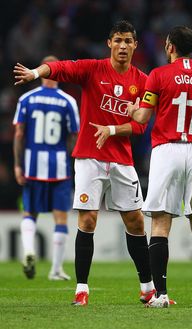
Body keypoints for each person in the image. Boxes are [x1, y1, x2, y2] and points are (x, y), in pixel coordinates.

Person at [13, 21, 157, 306]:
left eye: (129, 41)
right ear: (109, 43)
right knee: (87, 220)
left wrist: (113, 130)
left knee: (136, 221)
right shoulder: (93, 68)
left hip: (121, 159)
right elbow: (59, 67)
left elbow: (141, 126)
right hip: (89, 157)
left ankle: (148, 288)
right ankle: (81, 289)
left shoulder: (143, 80)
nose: (123, 46)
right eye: (118, 40)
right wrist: (34, 72)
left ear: (135, 45)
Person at [128, 26, 192, 308]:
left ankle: (160, 295)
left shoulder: (158, 75)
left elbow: (143, 116)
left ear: (169, 46)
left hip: (166, 150)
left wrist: (133, 109)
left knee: (160, 222)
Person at [13, 55, 80, 281]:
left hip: (32, 165)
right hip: (59, 166)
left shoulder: (27, 98)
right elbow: (74, 136)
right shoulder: (68, 101)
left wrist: (17, 165)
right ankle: (55, 269)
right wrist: (71, 160)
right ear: (57, 73)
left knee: (29, 212)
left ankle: (29, 251)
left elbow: (19, 134)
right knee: (60, 218)